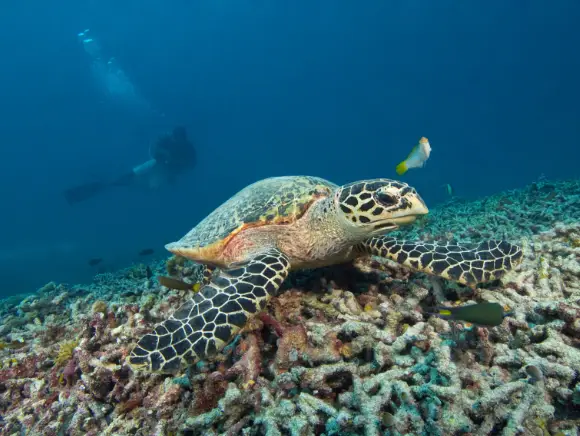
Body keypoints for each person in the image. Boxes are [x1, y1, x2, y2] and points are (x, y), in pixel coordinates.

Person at [63, 126, 196, 205]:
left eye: (179, 137)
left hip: (166, 171)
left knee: (149, 186)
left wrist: (174, 169)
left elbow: (190, 164)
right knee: (132, 177)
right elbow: (155, 149)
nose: (177, 139)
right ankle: (111, 182)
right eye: (176, 137)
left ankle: (113, 183)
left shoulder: (188, 148)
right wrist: (164, 154)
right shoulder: (167, 140)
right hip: (157, 165)